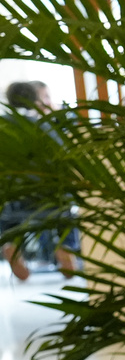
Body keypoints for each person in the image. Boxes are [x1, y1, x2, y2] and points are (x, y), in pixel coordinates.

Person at [1, 79, 82, 280]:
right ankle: (65, 246)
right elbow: (63, 158)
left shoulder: (3, 125)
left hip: (14, 200)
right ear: (35, 100)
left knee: (5, 214)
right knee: (66, 213)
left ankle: (10, 243)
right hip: (50, 199)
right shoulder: (45, 126)